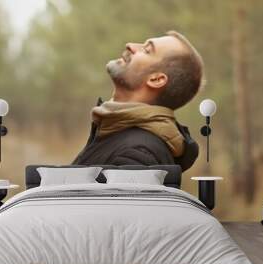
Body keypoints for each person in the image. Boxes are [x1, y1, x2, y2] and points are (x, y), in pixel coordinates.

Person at [72, 31, 203, 171]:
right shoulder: (115, 132)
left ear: (156, 79)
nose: (130, 45)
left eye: (146, 50)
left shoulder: (137, 156)